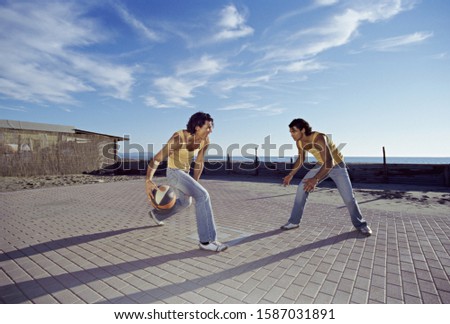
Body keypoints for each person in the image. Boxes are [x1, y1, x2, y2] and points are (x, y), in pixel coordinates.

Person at [145, 112, 228, 252]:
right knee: (203, 195)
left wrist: (194, 183)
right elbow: (157, 158)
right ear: (197, 126)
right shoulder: (179, 138)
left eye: (211, 127)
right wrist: (148, 180)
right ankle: (207, 241)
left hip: (185, 173)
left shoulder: (205, 141)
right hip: (173, 172)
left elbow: (199, 163)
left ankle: (156, 214)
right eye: (208, 127)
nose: (211, 130)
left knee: (185, 202)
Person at [280, 118, 372, 236]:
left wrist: (315, 179)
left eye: (294, 131)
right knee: (301, 189)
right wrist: (290, 174)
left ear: (303, 130)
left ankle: (361, 225)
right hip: (321, 165)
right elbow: (301, 158)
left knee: (349, 198)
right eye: (290, 132)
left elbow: (330, 162)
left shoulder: (319, 138)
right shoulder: (299, 142)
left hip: (336, 165)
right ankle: (294, 222)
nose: (291, 134)